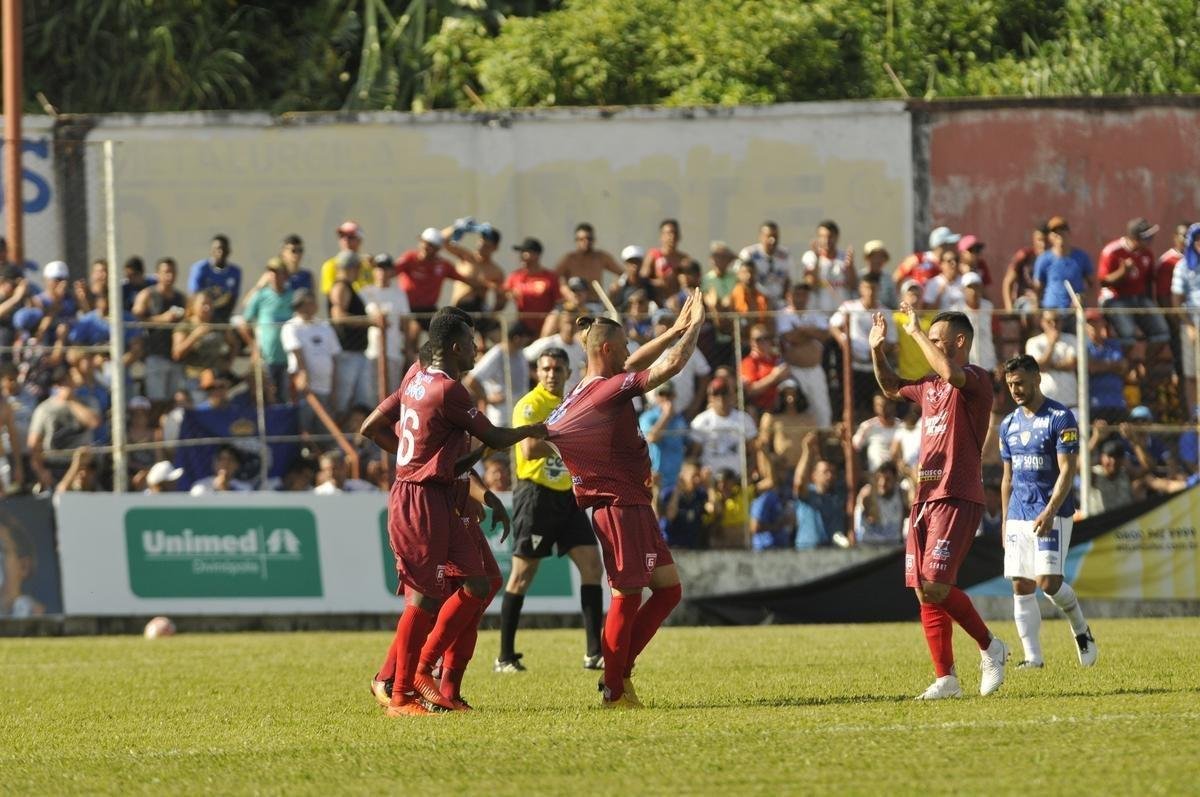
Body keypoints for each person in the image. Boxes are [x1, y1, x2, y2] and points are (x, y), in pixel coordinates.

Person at [360, 312, 547, 716]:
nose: (479, 348)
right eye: (473, 341)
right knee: (425, 596)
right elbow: (493, 437)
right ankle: (401, 695)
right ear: (458, 347)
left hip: (442, 493)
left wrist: (415, 458)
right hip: (421, 499)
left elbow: (372, 427)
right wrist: (532, 430)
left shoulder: (416, 376)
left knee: (480, 582)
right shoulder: (449, 391)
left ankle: (425, 674)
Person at [544, 289, 704, 708]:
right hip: (617, 503)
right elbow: (670, 366)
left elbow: (635, 362)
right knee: (627, 594)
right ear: (608, 349)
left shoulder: (588, 386)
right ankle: (614, 688)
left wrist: (676, 329)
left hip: (631, 500)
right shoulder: (604, 392)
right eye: (627, 345)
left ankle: (619, 670)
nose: (632, 351)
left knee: (668, 590)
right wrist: (696, 328)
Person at [870, 307, 1009, 699]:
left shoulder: (977, 380)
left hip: (957, 493)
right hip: (924, 497)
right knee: (923, 589)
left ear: (959, 342)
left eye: (936, 339)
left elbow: (951, 373)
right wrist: (877, 352)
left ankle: (990, 646)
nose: (928, 343)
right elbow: (889, 387)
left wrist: (913, 331)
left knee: (934, 584)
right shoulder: (928, 386)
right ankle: (946, 678)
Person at [497, 347, 605, 673]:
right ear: (537, 372)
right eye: (545, 368)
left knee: (592, 566)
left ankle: (593, 653)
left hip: (568, 496)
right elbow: (529, 449)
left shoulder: (569, 404)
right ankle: (504, 657)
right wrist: (569, 438)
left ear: (568, 372)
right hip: (536, 497)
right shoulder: (530, 405)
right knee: (521, 576)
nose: (551, 374)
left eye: (558, 368)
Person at [1000, 354, 1097, 669]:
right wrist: (1005, 521)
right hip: (1018, 511)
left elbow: (1067, 471)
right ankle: (1033, 658)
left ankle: (1081, 629)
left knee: (1048, 583)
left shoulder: (1060, 417)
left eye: (1020, 383)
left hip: (1053, 510)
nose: (1015, 390)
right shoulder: (1008, 424)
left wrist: (1051, 510)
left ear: (1037, 379)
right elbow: (1007, 478)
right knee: (1020, 583)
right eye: (1011, 385)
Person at [1097, 218, 1171, 349]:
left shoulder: (1147, 253)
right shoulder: (1112, 251)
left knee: (1162, 332)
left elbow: (1148, 282)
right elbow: (1103, 282)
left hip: (1139, 298)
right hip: (1115, 299)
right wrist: (1122, 272)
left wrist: (1150, 303)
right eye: (1147, 238)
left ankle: (1146, 366)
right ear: (1135, 238)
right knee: (1128, 335)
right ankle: (1126, 368)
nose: (1151, 241)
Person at [832, 273, 895, 417]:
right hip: (852, 366)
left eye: (874, 288)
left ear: (879, 289)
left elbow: (892, 342)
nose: (871, 291)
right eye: (867, 287)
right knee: (849, 405)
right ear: (861, 288)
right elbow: (833, 326)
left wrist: (876, 352)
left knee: (874, 406)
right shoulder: (849, 307)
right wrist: (843, 342)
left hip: (875, 367)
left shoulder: (886, 312)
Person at [280, 289, 341, 430]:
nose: (306, 307)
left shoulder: (325, 326)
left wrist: (335, 387)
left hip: (325, 386)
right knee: (302, 424)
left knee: (324, 426)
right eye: (302, 304)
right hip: (304, 387)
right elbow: (296, 350)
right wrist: (303, 375)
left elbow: (334, 357)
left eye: (309, 303)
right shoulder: (290, 326)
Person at [775, 282, 832, 428]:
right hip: (793, 370)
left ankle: (822, 440)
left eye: (804, 294)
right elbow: (790, 338)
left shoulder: (815, 314)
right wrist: (811, 333)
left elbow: (825, 335)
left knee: (821, 407)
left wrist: (802, 330)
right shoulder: (782, 314)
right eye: (797, 294)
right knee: (799, 405)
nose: (800, 298)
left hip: (815, 369)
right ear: (788, 296)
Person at [133, 257, 188, 412]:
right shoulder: (147, 295)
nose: (169, 276)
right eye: (165, 272)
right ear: (157, 274)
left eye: (172, 272)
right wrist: (162, 319)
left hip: (175, 357)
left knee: (173, 402)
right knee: (156, 401)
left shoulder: (181, 298)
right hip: (155, 355)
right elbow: (136, 320)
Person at [328, 253, 377, 416]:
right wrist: (368, 321)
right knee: (343, 399)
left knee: (360, 400)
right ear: (352, 268)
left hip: (356, 352)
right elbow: (338, 316)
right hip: (346, 352)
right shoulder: (341, 286)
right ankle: (339, 436)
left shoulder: (349, 287)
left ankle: (354, 438)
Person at [239, 258, 293, 403]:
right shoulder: (261, 296)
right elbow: (244, 323)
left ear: (285, 276)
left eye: (278, 273)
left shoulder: (292, 296)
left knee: (285, 396)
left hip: (288, 357)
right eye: (271, 273)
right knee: (267, 396)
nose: (274, 276)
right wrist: (254, 346)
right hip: (267, 357)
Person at [359, 253, 412, 397]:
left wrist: (408, 350)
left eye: (385, 268)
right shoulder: (364, 292)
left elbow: (405, 323)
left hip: (393, 351)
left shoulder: (399, 294)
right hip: (370, 352)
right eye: (378, 268)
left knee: (391, 395)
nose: (381, 272)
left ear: (391, 271)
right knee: (370, 396)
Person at [463, 322, 534, 426]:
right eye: (526, 337)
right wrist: (487, 398)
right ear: (517, 338)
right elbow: (471, 380)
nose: (528, 340)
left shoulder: (519, 353)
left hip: (520, 415)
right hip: (501, 418)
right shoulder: (497, 354)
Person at [640, 380, 689, 515]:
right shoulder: (647, 418)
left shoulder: (680, 420)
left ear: (674, 396)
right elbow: (652, 438)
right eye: (662, 394)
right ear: (656, 397)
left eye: (669, 394)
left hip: (675, 483)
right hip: (655, 481)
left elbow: (688, 446)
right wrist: (666, 416)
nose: (666, 398)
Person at [690, 378, 757, 476]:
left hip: (738, 478)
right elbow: (694, 455)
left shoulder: (744, 419)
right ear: (710, 397)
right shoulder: (700, 421)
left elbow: (754, 452)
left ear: (732, 395)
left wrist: (748, 474)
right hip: (710, 480)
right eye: (716, 394)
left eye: (725, 393)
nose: (721, 398)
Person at [791, 432, 846, 548]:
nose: (830, 476)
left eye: (832, 472)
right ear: (814, 476)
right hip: (807, 553)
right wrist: (807, 452)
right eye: (825, 472)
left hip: (833, 553)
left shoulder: (839, 495)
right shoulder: (808, 494)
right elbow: (799, 482)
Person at [1033, 217, 1094, 317]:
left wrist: (1082, 296)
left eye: (1062, 232)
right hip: (1052, 311)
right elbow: (1038, 287)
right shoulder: (1044, 259)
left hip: (1075, 311)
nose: (1059, 236)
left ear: (1068, 233)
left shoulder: (1081, 257)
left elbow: (1092, 283)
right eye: (1055, 234)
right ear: (1050, 237)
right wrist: (1038, 309)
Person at [1170, 223, 1200, 417]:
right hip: (1192, 323)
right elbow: (1176, 300)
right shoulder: (1182, 266)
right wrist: (1190, 326)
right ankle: (1194, 414)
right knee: (1191, 374)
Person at [1025, 311, 1078, 412]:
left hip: (1069, 401)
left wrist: (1050, 364)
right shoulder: (1034, 342)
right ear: (1042, 323)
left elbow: (1072, 364)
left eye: (1056, 321)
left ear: (1061, 322)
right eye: (1049, 321)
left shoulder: (1071, 339)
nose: (1053, 324)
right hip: (1045, 402)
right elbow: (1040, 367)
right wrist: (1052, 343)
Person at [505, 237, 558, 334]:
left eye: (524, 252)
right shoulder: (514, 276)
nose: (521, 256)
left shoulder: (550, 277)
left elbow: (558, 303)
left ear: (536, 255)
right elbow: (503, 293)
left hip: (547, 329)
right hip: (523, 329)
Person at [802, 219, 856, 313]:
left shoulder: (844, 257)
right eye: (822, 237)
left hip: (841, 314)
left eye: (830, 237)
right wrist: (817, 260)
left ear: (837, 237)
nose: (826, 241)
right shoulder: (810, 256)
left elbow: (853, 286)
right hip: (819, 314)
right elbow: (811, 285)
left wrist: (850, 267)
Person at [187, 234, 242, 324]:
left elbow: (233, 297)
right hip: (201, 315)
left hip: (222, 315)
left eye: (223, 249)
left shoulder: (235, 272)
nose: (220, 252)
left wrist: (223, 318)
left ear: (229, 251)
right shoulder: (200, 268)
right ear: (211, 251)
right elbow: (194, 296)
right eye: (217, 249)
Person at [555, 222, 622, 294]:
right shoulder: (569, 259)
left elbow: (621, 273)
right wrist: (565, 289)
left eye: (589, 239)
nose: (586, 242)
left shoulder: (601, 257)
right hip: (575, 302)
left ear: (594, 240)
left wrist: (616, 284)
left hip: (595, 302)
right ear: (576, 241)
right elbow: (554, 277)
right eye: (581, 239)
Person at [854, 462, 908, 546]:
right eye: (879, 478)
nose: (882, 483)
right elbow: (871, 515)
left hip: (893, 546)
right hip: (869, 547)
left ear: (895, 480)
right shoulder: (867, 493)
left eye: (887, 479)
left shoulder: (901, 493)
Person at [740, 220, 794, 304]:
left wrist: (783, 300)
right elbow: (740, 279)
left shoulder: (785, 254)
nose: (772, 240)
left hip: (778, 302)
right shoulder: (749, 254)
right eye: (769, 236)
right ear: (761, 237)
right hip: (755, 302)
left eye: (775, 237)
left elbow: (788, 280)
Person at [740, 324, 788, 414]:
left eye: (766, 338)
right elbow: (751, 391)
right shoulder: (748, 362)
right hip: (760, 408)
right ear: (751, 342)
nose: (764, 342)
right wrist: (774, 377)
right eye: (758, 339)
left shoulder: (777, 359)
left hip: (780, 405)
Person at [640, 219, 692, 300]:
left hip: (679, 301)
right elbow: (642, 279)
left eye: (675, 233)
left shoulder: (684, 259)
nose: (672, 236)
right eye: (669, 233)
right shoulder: (653, 255)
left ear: (679, 236)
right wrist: (658, 282)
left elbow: (694, 281)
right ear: (661, 236)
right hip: (657, 302)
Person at [1003, 223, 1047, 313]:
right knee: (1031, 309)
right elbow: (1007, 282)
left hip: (1045, 301)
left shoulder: (1053, 259)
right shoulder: (1025, 256)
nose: (1043, 245)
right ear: (1034, 240)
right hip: (1024, 300)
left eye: (1046, 241)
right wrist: (1009, 307)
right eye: (1040, 240)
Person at [320, 221, 371, 296]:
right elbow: (332, 294)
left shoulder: (367, 265)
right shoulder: (330, 265)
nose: (346, 240)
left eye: (350, 237)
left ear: (360, 240)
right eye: (342, 236)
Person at [852, 394, 898, 474]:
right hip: (875, 475)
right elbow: (855, 446)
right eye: (878, 405)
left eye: (885, 405)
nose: (882, 408)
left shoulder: (902, 427)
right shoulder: (867, 426)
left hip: (897, 475)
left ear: (893, 405)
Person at [189, 445, 253, 494]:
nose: (225, 463)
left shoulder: (245, 488)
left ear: (237, 465)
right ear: (214, 463)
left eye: (230, 460)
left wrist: (225, 490)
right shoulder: (200, 486)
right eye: (221, 459)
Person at [312, 449, 378, 494]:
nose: (331, 473)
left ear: (344, 467)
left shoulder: (364, 488)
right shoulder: (318, 493)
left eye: (334, 468)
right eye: (326, 470)